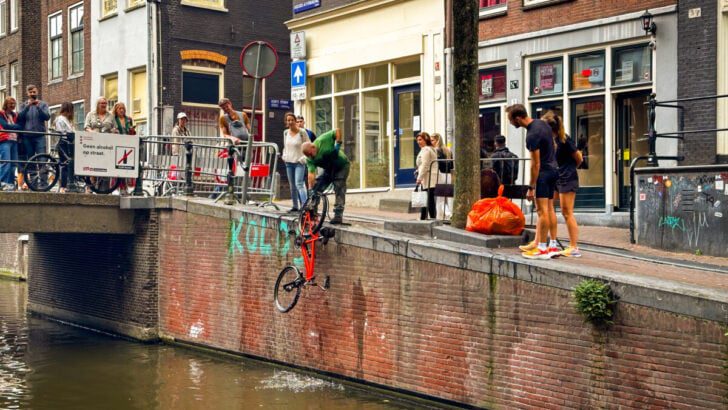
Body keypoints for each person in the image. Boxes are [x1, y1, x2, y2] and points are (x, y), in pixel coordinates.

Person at [507, 104, 559, 260]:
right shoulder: (542, 124)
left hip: (543, 173)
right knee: (549, 209)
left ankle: (542, 248)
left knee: (541, 211)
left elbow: (535, 164)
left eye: (510, 119)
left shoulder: (531, 135)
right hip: (553, 170)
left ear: (517, 118)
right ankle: (552, 245)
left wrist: (531, 186)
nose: (510, 123)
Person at [545, 111, 583, 257]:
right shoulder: (549, 140)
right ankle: (551, 242)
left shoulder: (564, 140)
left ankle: (574, 247)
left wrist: (572, 168)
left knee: (567, 212)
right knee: (547, 207)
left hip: (567, 177)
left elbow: (578, 157)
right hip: (555, 176)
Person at [301, 128, 350, 224]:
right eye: (308, 156)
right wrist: (311, 189)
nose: (311, 157)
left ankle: (338, 216)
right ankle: (312, 213)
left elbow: (337, 131)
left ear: (313, 147)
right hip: (328, 169)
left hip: (342, 166)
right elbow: (311, 175)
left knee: (339, 188)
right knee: (316, 189)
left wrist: (338, 144)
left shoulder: (322, 140)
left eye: (311, 154)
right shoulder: (309, 159)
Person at [282, 112, 311, 212]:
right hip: (288, 163)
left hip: (299, 163)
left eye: (292, 120)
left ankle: (305, 206)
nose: (290, 122)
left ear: (295, 121)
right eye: (288, 120)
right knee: (292, 186)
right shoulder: (285, 133)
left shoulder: (302, 133)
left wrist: (303, 159)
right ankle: (295, 206)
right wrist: (284, 155)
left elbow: (309, 146)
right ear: (286, 122)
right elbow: (285, 147)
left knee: (299, 184)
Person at [17, 84, 51, 160]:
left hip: (40, 135)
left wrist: (38, 107)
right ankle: (32, 172)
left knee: (42, 158)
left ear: (37, 92)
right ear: (27, 93)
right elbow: (19, 117)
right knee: (30, 159)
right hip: (27, 136)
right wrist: (27, 106)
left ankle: (43, 171)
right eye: (30, 92)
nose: (32, 94)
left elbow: (47, 117)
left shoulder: (43, 104)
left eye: (34, 92)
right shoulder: (23, 105)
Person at [0, 97, 23, 191]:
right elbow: (5, 126)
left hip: (14, 140)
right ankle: (2, 182)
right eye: (11, 104)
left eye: (14, 104)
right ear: (6, 104)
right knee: (6, 162)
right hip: (5, 140)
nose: (13, 105)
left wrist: (15, 127)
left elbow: (20, 126)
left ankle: (10, 184)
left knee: (14, 164)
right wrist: (16, 127)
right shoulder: (1, 114)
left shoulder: (15, 115)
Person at [53, 102, 76, 193]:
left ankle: (66, 185)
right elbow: (64, 132)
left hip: (67, 143)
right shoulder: (61, 119)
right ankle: (63, 186)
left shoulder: (66, 119)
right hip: (64, 143)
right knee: (65, 164)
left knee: (66, 164)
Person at [415, 132, 437, 220]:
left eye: (420, 140)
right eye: (417, 140)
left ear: (425, 140)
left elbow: (425, 164)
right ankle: (424, 217)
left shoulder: (426, 150)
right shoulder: (429, 149)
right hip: (429, 177)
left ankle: (431, 218)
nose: (418, 142)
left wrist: (419, 178)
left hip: (428, 177)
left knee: (429, 199)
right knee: (427, 198)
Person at [431, 133, 452, 219]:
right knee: (449, 197)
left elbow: (437, 164)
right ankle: (447, 214)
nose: (431, 142)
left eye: (432, 140)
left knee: (440, 199)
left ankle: (445, 215)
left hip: (441, 175)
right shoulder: (448, 150)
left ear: (437, 140)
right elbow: (452, 165)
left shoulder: (435, 150)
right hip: (449, 175)